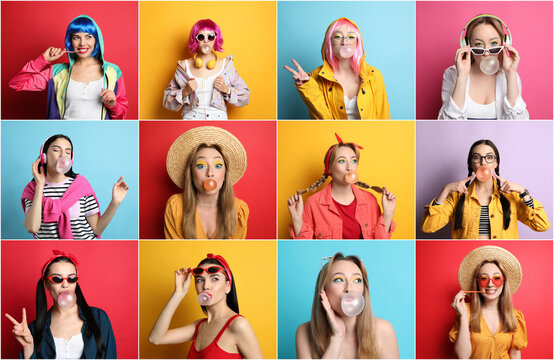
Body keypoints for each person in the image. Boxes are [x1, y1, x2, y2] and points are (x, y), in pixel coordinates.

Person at [421, 139, 549, 239]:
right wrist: (446, 190)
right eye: (477, 157)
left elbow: (542, 225)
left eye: (489, 157)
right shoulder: (456, 196)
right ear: (471, 164)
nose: (483, 162)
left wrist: (523, 192)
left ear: (496, 162)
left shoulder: (512, 196)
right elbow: (427, 227)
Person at [9, 15, 128, 120]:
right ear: (70, 41)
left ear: (96, 40)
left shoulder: (113, 72)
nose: (82, 43)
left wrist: (113, 105)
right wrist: (43, 60)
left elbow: (121, 116)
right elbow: (16, 84)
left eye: (88, 37)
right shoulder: (56, 72)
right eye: (76, 37)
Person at [5, 250, 116, 359]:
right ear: (46, 284)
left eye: (71, 278)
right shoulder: (34, 329)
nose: (65, 284)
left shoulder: (99, 318)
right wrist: (28, 347)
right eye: (57, 279)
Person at [149, 253, 263, 358]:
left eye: (214, 279)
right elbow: (156, 338)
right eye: (200, 280)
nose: (206, 286)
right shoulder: (198, 326)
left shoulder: (238, 325)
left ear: (228, 286)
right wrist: (179, 292)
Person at [287, 133, 396, 239]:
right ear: (329, 168)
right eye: (342, 161)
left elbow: (379, 246)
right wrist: (297, 220)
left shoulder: (370, 200)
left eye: (353, 160)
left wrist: (388, 213)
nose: (349, 167)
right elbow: (305, 250)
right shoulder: (313, 204)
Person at [21, 134, 129, 239]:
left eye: (67, 152)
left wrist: (115, 203)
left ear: (71, 158)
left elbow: (97, 228)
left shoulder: (81, 185)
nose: (63, 155)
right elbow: (32, 228)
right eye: (56, 150)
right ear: (43, 156)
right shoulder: (32, 189)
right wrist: (39, 185)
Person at [296, 253, 399, 358]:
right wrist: (337, 337)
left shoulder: (383, 330)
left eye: (357, 280)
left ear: (363, 290)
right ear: (323, 289)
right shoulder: (304, 332)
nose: (349, 288)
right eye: (339, 279)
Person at [284, 17, 389, 120]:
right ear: (329, 42)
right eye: (338, 36)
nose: (345, 42)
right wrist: (307, 86)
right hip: (332, 137)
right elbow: (323, 121)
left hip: (367, 137)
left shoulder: (373, 75)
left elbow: (384, 118)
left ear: (357, 43)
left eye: (351, 36)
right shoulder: (316, 75)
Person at [164, 126, 249, 239]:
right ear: (191, 173)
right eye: (201, 166)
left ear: (225, 175)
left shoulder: (239, 210)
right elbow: (175, 253)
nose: (210, 173)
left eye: (218, 165)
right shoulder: (175, 206)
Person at [438, 14, 528, 119]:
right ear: (466, 45)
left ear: (505, 44)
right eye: (479, 44)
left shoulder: (511, 76)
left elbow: (519, 125)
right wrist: (462, 77)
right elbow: (446, 126)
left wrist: (510, 74)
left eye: (494, 43)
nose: (486, 53)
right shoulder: (452, 74)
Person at [163, 19, 250, 120]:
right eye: (201, 37)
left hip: (219, 120)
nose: (206, 40)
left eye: (210, 36)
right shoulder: (184, 66)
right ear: (195, 40)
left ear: (216, 39)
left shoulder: (226, 66)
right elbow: (167, 101)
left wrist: (226, 89)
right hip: (191, 120)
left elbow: (245, 96)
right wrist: (185, 91)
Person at [450, 245, 527, 359]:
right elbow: (463, 356)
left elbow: (515, 355)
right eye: (484, 278)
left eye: (496, 278)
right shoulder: (466, 312)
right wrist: (463, 316)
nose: (490, 284)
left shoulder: (515, 316)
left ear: (504, 282)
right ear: (477, 283)